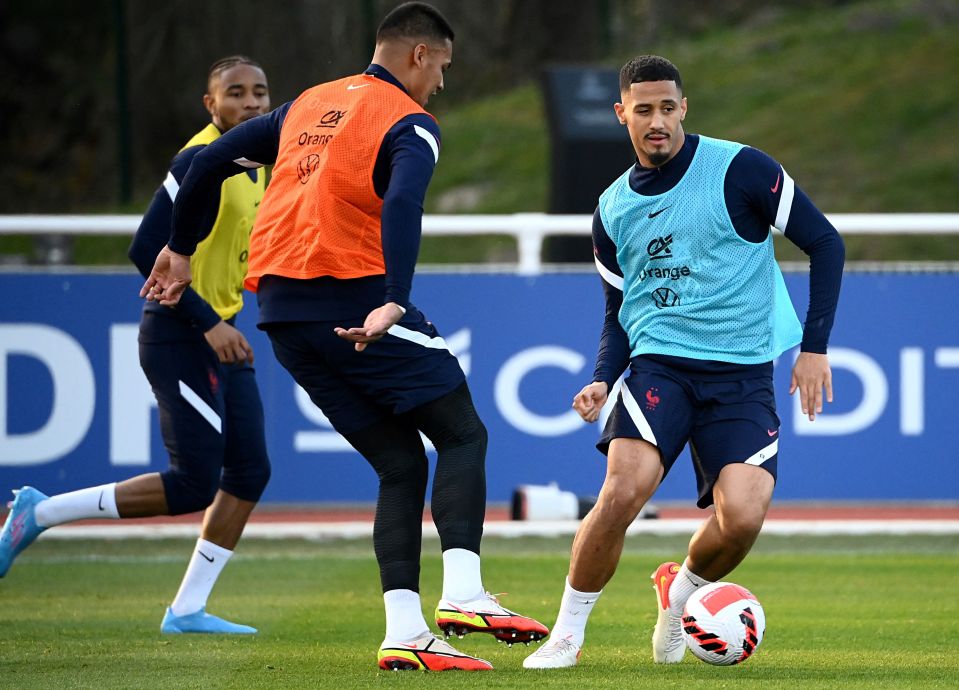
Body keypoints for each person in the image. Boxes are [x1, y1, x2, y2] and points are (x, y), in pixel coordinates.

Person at [139, 2, 548, 672]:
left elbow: (208, 160)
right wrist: (395, 300)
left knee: (399, 463)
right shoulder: (409, 120)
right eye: (442, 66)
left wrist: (179, 248)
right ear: (420, 55)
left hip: (281, 318)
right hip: (354, 302)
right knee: (463, 433)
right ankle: (467, 594)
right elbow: (406, 203)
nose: (441, 82)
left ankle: (405, 632)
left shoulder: (307, 104)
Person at [524, 55, 845, 669]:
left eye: (668, 107)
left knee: (744, 518)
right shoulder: (613, 209)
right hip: (659, 370)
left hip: (743, 374)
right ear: (622, 115)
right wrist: (601, 377)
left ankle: (682, 594)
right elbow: (620, 309)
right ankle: (565, 634)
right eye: (643, 110)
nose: (657, 121)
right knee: (623, 491)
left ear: (684, 109)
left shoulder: (741, 169)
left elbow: (825, 241)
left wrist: (814, 347)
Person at [0, 56, 273, 635]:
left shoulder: (256, 163)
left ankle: (187, 610)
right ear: (211, 104)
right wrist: (208, 322)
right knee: (194, 483)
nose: (250, 103)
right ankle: (38, 513)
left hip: (219, 331)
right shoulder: (199, 158)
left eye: (259, 92)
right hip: (179, 333)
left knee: (249, 471)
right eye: (235, 93)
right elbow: (146, 245)